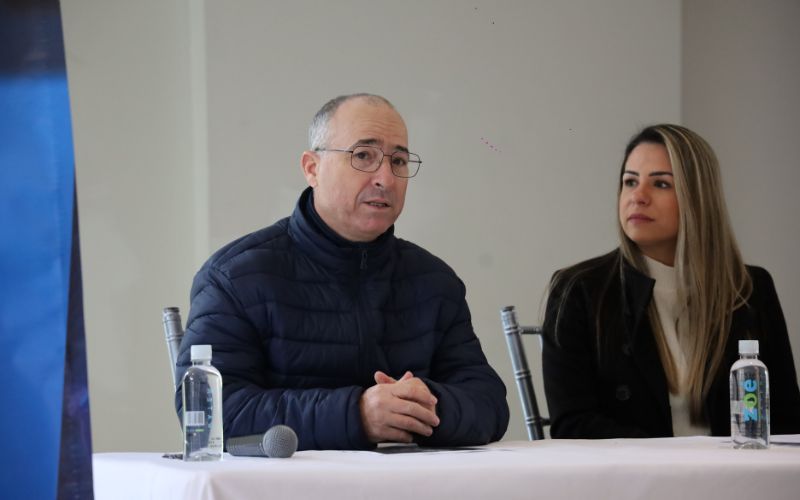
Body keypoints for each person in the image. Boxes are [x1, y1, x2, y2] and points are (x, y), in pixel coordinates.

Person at [174, 93, 509, 450]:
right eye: (363, 155)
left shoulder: (434, 281)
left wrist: (421, 404)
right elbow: (210, 414)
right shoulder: (236, 277)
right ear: (312, 168)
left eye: (398, 160)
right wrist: (357, 414)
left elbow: (488, 403)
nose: (385, 178)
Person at [542, 124, 800, 438]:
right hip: (633, 483)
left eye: (661, 184)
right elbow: (573, 426)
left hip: (737, 479)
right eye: (630, 182)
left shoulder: (749, 287)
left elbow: (786, 419)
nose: (637, 197)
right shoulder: (578, 289)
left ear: (698, 198)